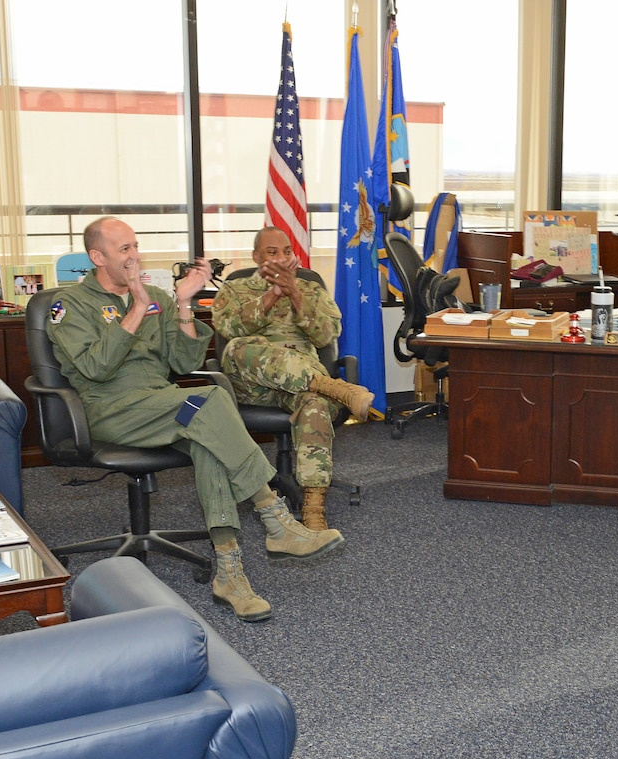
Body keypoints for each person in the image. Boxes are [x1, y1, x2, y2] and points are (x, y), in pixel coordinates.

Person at [47, 217, 344, 623]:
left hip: (168, 407)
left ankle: (229, 571)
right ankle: (274, 517)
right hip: (113, 412)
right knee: (210, 402)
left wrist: (183, 303)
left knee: (208, 434)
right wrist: (135, 309)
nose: (134, 256)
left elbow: (184, 362)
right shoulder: (70, 306)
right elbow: (97, 368)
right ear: (97, 257)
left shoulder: (157, 297)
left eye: (135, 246)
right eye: (124, 250)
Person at [212, 226, 374, 531]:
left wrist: (295, 293)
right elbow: (229, 330)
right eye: (272, 253)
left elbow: (327, 335)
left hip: (302, 385)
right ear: (256, 257)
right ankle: (338, 389)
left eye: (287, 252)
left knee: (314, 403)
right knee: (240, 347)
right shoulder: (235, 289)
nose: (281, 258)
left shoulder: (310, 288)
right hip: (254, 386)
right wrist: (273, 295)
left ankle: (314, 509)